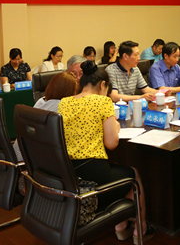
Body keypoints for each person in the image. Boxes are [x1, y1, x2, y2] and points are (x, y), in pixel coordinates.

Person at [58, 61, 155, 243]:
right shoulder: (103, 101)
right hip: (93, 176)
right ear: (103, 85)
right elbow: (111, 144)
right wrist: (115, 128)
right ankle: (140, 230)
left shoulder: (65, 102)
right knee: (133, 174)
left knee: (118, 169)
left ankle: (121, 226)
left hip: (70, 174)